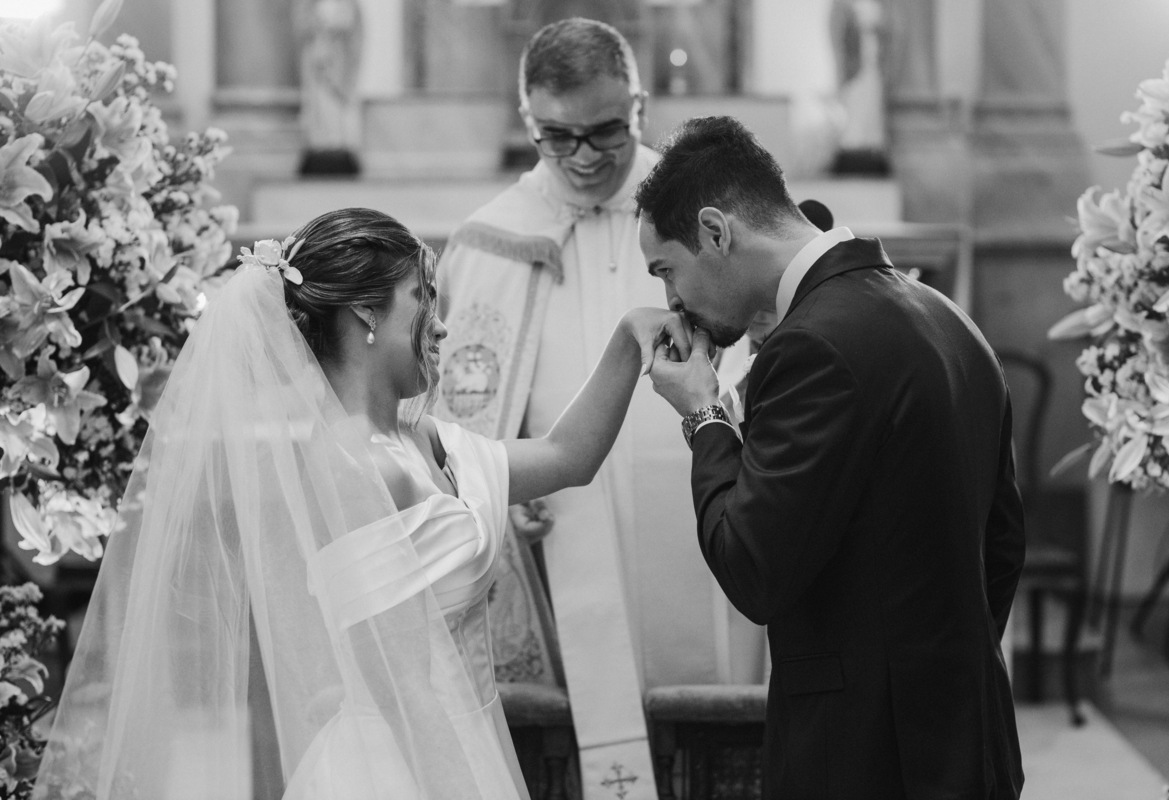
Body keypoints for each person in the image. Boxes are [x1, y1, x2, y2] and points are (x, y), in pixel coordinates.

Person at [32, 208, 689, 800]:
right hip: (402, 769)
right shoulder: (354, 467)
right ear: (368, 314)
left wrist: (631, 336)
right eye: (422, 297)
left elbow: (565, 458)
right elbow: (404, 688)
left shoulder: (423, 440)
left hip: (462, 742)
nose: (443, 321)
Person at [637, 117, 1025, 799]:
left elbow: (753, 569)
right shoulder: (948, 317)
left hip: (866, 756)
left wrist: (703, 415)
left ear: (716, 231)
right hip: (968, 735)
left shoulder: (813, 346)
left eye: (667, 269)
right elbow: (1001, 546)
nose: (672, 301)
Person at [434, 17, 733, 793]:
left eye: (606, 130)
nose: (586, 156)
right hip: (558, 539)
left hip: (700, 519)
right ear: (528, 118)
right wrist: (503, 494)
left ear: (638, 103)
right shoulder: (490, 242)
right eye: (556, 137)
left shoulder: (707, 216)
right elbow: (455, 422)